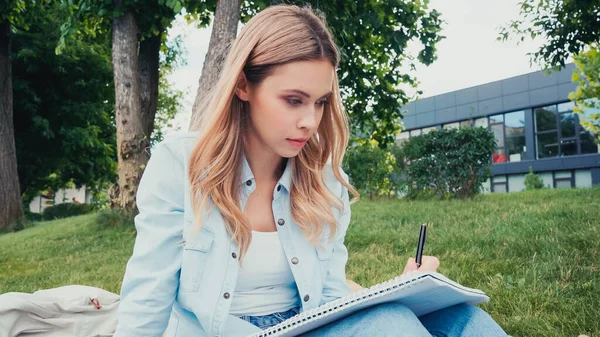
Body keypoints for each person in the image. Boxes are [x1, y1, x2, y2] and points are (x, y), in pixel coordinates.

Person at [114, 5, 508, 337]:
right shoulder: (181, 164)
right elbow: (148, 293)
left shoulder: (324, 177)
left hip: (303, 326)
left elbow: (330, 296)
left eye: (320, 102)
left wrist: (401, 291)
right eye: (293, 100)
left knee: (463, 320)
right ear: (242, 86)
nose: (309, 121)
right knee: (391, 324)